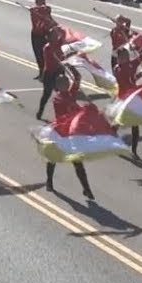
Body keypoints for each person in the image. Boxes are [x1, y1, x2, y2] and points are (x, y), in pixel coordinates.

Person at [44, 67, 95, 199]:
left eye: (67, 82)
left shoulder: (71, 94)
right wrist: (79, 108)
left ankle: (86, 189)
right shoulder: (57, 99)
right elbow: (67, 108)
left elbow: (77, 77)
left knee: (77, 162)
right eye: (63, 84)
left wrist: (70, 66)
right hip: (60, 133)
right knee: (53, 158)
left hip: (71, 134)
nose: (66, 85)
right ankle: (49, 181)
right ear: (58, 87)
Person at [112, 48, 142, 158]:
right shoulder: (118, 69)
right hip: (123, 99)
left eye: (126, 56)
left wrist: (138, 47)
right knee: (117, 123)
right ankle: (111, 141)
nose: (124, 58)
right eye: (122, 57)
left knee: (135, 125)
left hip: (132, 99)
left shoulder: (131, 64)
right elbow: (127, 80)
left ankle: (134, 151)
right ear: (118, 59)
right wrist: (138, 75)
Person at [35, 26, 66, 120]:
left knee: (63, 95)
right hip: (50, 73)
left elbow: (64, 34)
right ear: (49, 37)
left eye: (56, 34)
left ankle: (62, 115)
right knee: (46, 94)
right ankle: (40, 112)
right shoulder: (47, 48)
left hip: (59, 72)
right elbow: (49, 63)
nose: (56, 36)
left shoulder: (59, 43)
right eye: (54, 35)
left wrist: (59, 28)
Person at [28, 0, 54, 78]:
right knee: (38, 54)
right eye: (41, 0)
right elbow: (34, 9)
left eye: (43, 0)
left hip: (44, 34)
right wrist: (34, 10)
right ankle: (41, 72)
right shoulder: (33, 10)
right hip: (35, 34)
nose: (43, 2)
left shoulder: (47, 9)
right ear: (36, 2)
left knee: (45, 55)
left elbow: (46, 9)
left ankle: (46, 73)